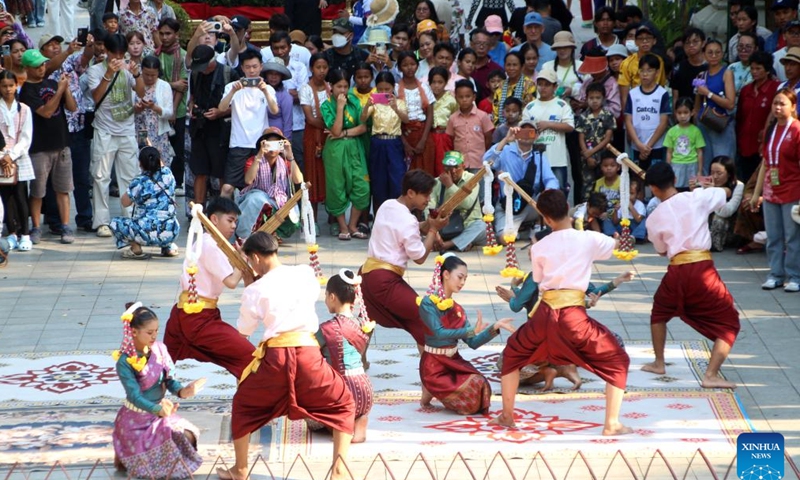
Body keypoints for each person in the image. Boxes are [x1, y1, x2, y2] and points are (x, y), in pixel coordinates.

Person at [490, 189, 631, 435]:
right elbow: (616, 245)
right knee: (617, 359)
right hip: (573, 316)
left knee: (512, 355)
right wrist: (620, 236)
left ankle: (507, 415)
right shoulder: (588, 238)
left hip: (544, 314)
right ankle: (612, 423)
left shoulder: (539, 247)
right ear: (567, 208)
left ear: (545, 219)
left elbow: (539, 279)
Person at [225, 232, 355, 480]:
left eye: (251, 262)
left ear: (255, 257)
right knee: (343, 402)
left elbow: (244, 330)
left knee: (243, 405)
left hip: (275, 358)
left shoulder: (255, 289)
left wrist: (251, 287)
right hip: (308, 353)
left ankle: (240, 469)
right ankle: (338, 469)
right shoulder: (305, 273)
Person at [643, 162, 740, 388]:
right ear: (674, 180)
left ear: (653, 189)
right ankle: (710, 374)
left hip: (677, 268)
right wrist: (718, 185)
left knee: (659, 312)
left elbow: (660, 250)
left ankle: (659, 362)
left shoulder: (654, 217)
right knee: (730, 323)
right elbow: (725, 192)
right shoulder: (697, 197)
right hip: (702, 268)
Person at [163, 197, 256, 378]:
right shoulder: (210, 244)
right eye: (230, 220)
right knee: (249, 356)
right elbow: (230, 281)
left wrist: (238, 258)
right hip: (197, 318)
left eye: (235, 222)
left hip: (185, 314)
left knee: (164, 364)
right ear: (214, 219)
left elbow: (236, 275)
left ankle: (148, 397)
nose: (234, 226)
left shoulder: (212, 244)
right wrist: (242, 259)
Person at [111, 304, 204, 478]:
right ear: (134, 332)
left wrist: (183, 391)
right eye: (149, 332)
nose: (154, 336)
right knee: (167, 445)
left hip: (160, 413)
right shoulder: (124, 362)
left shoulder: (160, 349)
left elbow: (169, 380)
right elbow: (134, 396)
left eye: (156, 331)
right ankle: (128, 456)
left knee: (188, 436)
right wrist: (158, 410)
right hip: (136, 418)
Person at [360, 169, 450, 347]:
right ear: (411, 193)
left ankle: (359, 360)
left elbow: (412, 228)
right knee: (423, 315)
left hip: (365, 275)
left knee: (367, 318)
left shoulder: (387, 205)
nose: (428, 200)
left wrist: (431, 225)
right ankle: (431, 369)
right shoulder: (407, 220)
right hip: (384, 280)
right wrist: (433, 230)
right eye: (425, 195)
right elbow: (420, 257)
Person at [419, 254, 515, 413]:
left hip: (453, 361)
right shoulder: (428, 303)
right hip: (433, 365)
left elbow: (473, 342)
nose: (463, 282)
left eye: (465, 279)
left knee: (480, 384)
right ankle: (429, 389)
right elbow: (438, 333)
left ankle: (435, 392)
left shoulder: (457, 310)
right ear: (446, 274)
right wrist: (470, 330)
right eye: (460, 277)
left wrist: (494, 327)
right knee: (469, 405)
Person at [87, 33, 146, 238]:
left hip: (127, 129)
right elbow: (96, 97)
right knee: (101, 176)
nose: (118, 58)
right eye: (115, 54)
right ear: (107, 51)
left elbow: (141, 92)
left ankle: (129, 216)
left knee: (130, 176)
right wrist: (107, 75)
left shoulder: (127, 69)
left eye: (122, 54)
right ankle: (102, 221)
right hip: (104, 130)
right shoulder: (95, 70)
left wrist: (137, 75)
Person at [20, 49, 78, 245]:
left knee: (63, 189)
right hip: (39, 147)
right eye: (37, 66)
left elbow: (72, 107)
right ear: (27, 68)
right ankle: (36, 226)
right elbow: (46, 112)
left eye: (43, 64)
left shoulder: (53, 83)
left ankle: (65, 225)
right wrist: (60, 90)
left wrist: (65, 88)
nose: (42, 68)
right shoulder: (27, 91)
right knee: (38, 191)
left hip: (61, 144)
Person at [315, 269, 374, 443]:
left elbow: (309, 354)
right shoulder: (362, 324)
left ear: (332, 297)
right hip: (365, 393)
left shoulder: (327, 329)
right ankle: (360, 420)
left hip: (343, 394)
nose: (325, 300)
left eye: (326, 296)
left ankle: (340, 427)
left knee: (311, 417)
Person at [751, 87, 800, 292]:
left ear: (793, 107)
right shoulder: (772, 128)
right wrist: (756, 193)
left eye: (782, 104)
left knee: (792, 236)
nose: (778, 107)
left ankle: (795, 276)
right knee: (773, 235)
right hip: (771, 191)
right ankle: (775, 274)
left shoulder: (797, 129)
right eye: (775, 103)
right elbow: (765, 163)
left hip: (792, 190)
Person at [484, 121, 559, 240]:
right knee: (505, 238)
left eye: (530, 132)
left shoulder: (539, 156)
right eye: (522, 131)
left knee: (551, 198)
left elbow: (551, 180)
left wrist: (548, 192)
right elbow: (487, 162)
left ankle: (537, 225)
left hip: (531, 204)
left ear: (536, 136)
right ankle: (523, 231)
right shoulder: (506, 150)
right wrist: (506, 139)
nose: (526, 135)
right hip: (508, 205)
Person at [218, 50, 279, 198]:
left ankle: (262, 220)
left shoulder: (268, 88)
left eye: (255, 66)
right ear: (242, 68)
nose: (251, 70)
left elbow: (274, 110)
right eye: (248, 67)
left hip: (261, 144)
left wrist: (265, 91)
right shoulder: (232, 86)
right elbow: (221, 108)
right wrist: (233, 91)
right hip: (239, 143)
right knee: (227, 188)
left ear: (260, 67)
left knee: (264, 185)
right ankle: (223, 220)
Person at [321, 68, 371, 241]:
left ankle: (353, 225)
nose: (342, 91)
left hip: (355, 149)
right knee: (337, 187)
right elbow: (334, 130)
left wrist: (344, 133)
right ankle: (343, 227)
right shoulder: (326, 105)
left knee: (362, 187)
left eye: (345, 86)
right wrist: (340, 108)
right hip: (335, 152)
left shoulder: (355, 102)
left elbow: (363, 127)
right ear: (331, 87)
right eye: (339, 87)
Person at [109, 146, 179, 258]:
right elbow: (161, 165)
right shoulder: (168, 174)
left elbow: (125, 202)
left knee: (114, 222)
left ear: (140, 163)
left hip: (146, 233)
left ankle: (136, 248)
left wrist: (133, 192)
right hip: (171, 231)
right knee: (164, 218)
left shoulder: (139, 182)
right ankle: (168, 246)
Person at [236, 128, 303, 240]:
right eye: (270, 143)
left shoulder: (284, 161)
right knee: (256, 199)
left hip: (278, 200)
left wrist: (290, 155)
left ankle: (273, 233)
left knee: (293, 213)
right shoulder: (253, 160)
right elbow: (248, 180)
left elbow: (298, 180)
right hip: (256, 201)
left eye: (276, 144)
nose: (273, 147)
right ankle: (246, 236)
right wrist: (259, 155)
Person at [522, 68, 574, 197]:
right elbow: (522, 133)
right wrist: (533, 134)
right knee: (535, 194)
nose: (543, 88)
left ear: (555, 86)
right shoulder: (530, 107)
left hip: (557, 159)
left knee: (558, 194)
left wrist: (548, 124)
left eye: (547, 85)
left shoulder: (562, 105)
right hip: (534, 160)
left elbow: (570, 127)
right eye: (540, 84)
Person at [427, 151, 486, 252]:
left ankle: (447, 245)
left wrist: (450, 185)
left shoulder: (471, 179)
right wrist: (435, 234)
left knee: (481, 226)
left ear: (463, 166)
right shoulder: (437, 182)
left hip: (468, 225)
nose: (453, 171)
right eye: (448, 168)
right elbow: (429, 210)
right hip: (445, 227)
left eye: (456, 167)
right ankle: (462, 243)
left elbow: (468, 204)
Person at [0, 71, 33, 251]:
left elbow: (26, 138)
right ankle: (12, 232)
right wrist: (3, 156)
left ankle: (25, 234)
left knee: (21, 196)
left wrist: (11, 156)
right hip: (1, 157)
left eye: (10, 85)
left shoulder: (24, 109)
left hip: (19, 157)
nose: (7, 89)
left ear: (16, 86)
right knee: (5, 197)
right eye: (4, 86)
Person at [156, 18, 187, 194]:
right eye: (161, 34)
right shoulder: (155, 54)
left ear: (176, 35)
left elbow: (182, 86)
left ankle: (177, 182)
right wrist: (172, 84)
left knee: (178, 148)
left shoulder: (182, 56)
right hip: (158, 109)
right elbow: (154, 80)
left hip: (178, 109)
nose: (165, 37)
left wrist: (174, 110)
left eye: (168, 33)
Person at [737, 51, 779, 184]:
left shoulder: (776, 88)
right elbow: (739, 118)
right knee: (745, 182)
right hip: (744, 144)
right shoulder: (745, 90)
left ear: (767, 70)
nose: (754, 72)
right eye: (752, 68)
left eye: (758, 68)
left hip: (765, 145)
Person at [624, 53, 671, 170]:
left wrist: (648, 146)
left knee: (655, 178)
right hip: (637, 145)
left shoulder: (662, 94)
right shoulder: (632, 93)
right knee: (637, 179)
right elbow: (628, 120)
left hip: (656, 145)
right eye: (642, 70)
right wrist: (638, 144)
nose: (645, 74)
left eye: (649, 70)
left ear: (657, 73)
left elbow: (664, 122)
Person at [300, 53, 330, 227]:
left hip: (330, 136)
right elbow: (310, 119)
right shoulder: (305, 89)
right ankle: (312, 221)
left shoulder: (330, 87)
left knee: (330, 175)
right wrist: (329, 126)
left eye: (325, 67)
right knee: (312, 176)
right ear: (311, 68)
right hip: (312, 135)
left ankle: (334, 219)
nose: (321, 71)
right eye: (318, 67)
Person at [693, 156, 744, 252]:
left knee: (719, 218)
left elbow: (727, 212)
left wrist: (713, 192)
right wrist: (694, 192)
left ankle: (715, 244)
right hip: (707, 226)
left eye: (719, 173)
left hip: (729, 227)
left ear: (729, 174)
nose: (715, 177)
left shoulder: (738, 186)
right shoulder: (705, 184)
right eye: (712, 173)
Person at [396, 52, 435, 174]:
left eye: (412, 64)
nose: (409, 68)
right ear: (399, 67)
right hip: (404, 132)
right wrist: (405, 143)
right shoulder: (395, 88)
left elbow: (430, 114)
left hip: (422, 132)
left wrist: (423, 140)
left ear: (417, 66)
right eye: (405, 65)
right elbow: (394, 118)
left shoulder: (424, 87)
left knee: (425, 169)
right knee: (407, 172)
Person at [576, 82, 615, 201]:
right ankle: (586, 211)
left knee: (604, 184)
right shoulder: (583, 116)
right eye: (591, 98)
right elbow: (581, 136)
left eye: (598, 98)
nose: (594, 101)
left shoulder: (608, 115)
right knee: (587, 185)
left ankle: (604, 210)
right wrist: (587, 155)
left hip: (603, 157)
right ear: (586, 98)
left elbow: (608, 138)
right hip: (587, 159)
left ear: (603, 98)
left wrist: (591, 151)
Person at [618, 25, 667, 115]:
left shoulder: (659, 61)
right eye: (640, 39)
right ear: (636, 42)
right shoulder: (626, 63)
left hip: (654, 105)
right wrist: (628, 116)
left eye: (648, 38)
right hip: (635, 104)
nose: (645, 41)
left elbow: (661, 86)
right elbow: (624, 95)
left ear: (654, 41)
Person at [134, 55, 174, 166]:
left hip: (158, 133)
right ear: (141, 70)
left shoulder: (164, 86)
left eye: (153, 75)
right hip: (139, 131)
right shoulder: (135, 83)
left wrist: (154, 107)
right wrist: (137, 108)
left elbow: (169, 112)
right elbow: (128, 108)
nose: (150, 78)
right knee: (141, 163)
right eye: (146, 74)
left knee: (159, 164)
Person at [447, 80, 494, 172]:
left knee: (479, 186)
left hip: (479, 162)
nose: (464, 100)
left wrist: (483, 154)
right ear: (456, 98)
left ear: (474, 97)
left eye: (467, 96)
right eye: (461, 97)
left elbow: (488, 138)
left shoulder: (482, 116)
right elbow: (451, 139)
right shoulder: (452, 118)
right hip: (460, 163)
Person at [664, 97, 705, 190]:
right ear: (675, 113)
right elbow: (669, 152)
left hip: (692, 164)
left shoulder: (696, 131)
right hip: (676, 165)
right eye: (679, 113)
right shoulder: (671, 131)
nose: (682, 116)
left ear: (692, 112)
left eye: (686, 112)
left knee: (692, 189)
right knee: (676, 189)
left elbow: (700, 152)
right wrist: (669, 169)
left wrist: (699, 171)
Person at [491, 51, 536, 126]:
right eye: (508, 65)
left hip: (522, 128)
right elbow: (496, 111)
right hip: (502, 130)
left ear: (522, 66)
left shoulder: (529, 85)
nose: (511, 68)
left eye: (515, 65)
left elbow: (530, 109)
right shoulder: (500, 86)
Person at [671, 28, 707, 110]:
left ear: (703, 43)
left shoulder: (710, 67)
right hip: (684, 114)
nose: (691, 45)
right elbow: (675, 96)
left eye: (695, 41)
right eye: (687, 42)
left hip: (705, 114)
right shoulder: (678, 68)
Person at [429, 66, 456, 175]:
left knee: (443, 168)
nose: (436, 86)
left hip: (445, 136)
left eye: (440, 82)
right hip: (429, 136)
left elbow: (455, 119)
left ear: (445, 82)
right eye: (433, 82)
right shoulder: (426, 97)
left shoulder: (451, 100)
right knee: (429, 167)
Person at [263, 58, 294, 139]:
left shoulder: (285, 96)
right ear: (266, 74)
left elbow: (288, 122)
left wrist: (286, 141)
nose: (274, 77)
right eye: (271, 73)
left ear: (281, 76)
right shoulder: (258, 92)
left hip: (276, 137)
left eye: (277, 74)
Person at [470, 29, 503, 102]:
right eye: (478, 43)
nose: (481, 47)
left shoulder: (497, 69)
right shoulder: (465, 67)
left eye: (485, 44)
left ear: (490, 47)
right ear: (472, 45)